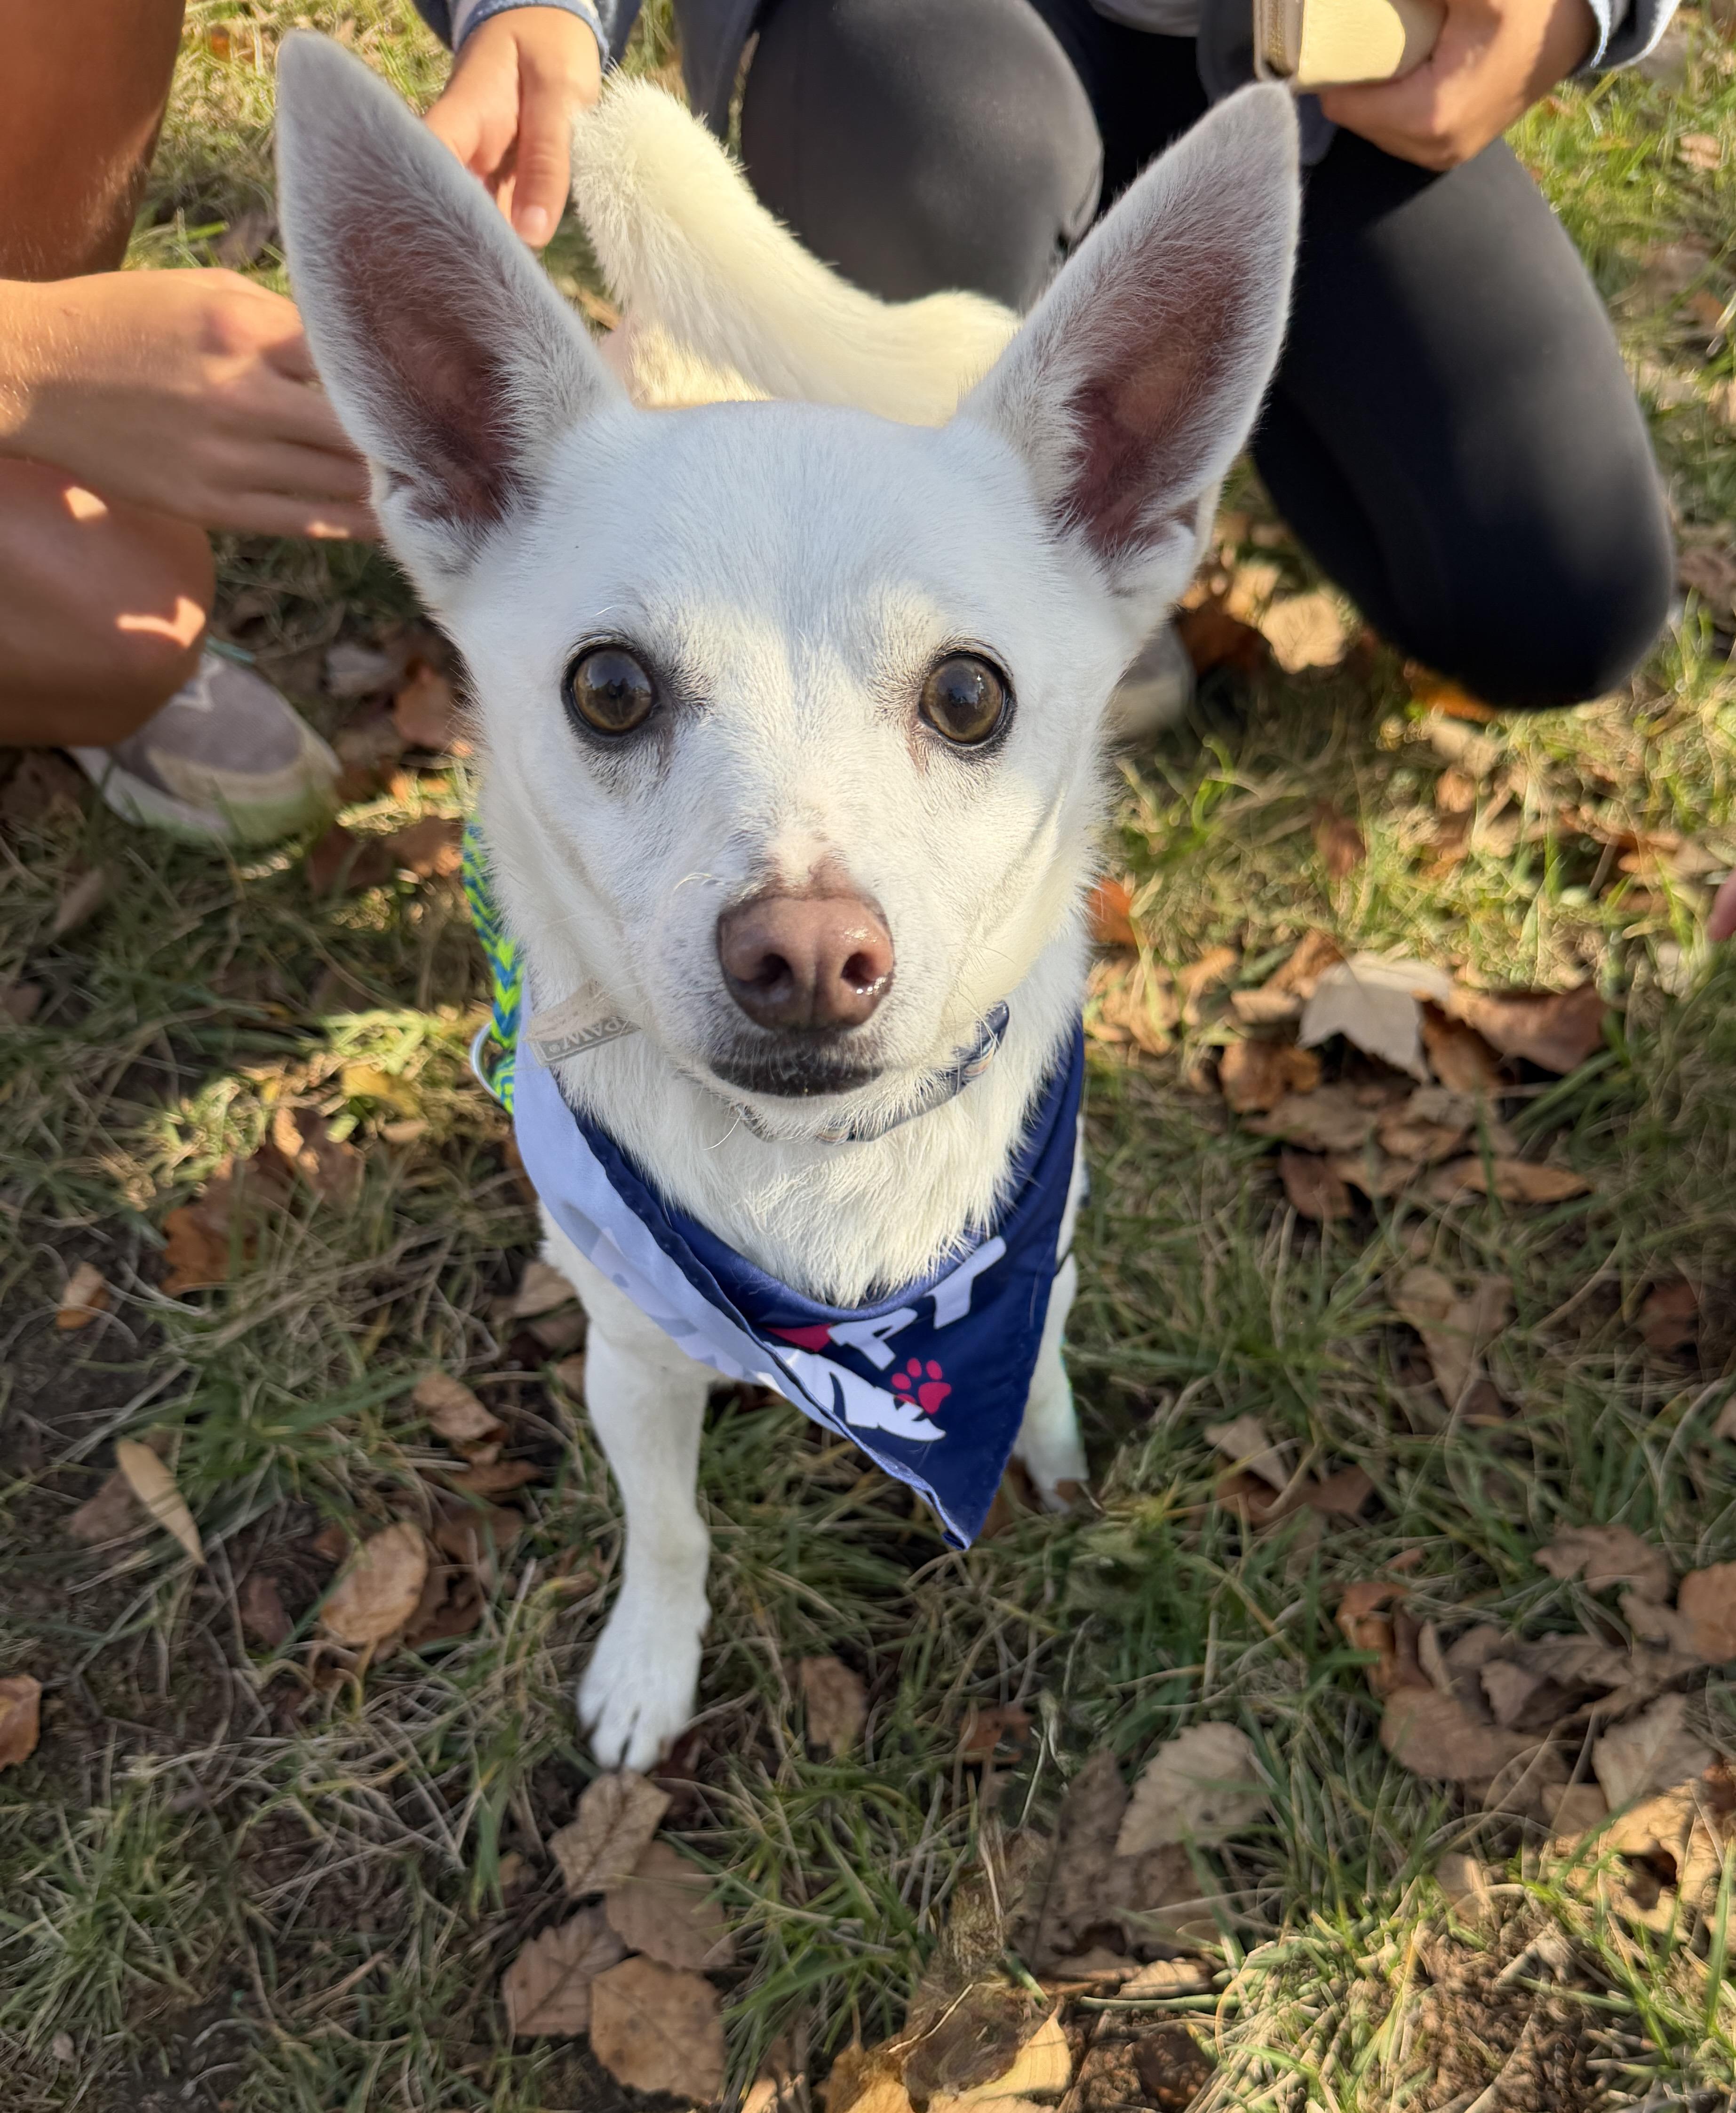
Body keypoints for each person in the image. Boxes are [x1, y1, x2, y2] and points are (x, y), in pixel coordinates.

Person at [418, 0, 1680, 718]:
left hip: (1311, 56)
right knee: (940, 137)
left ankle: (1122, 437)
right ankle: (943, 574)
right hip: (915, 43)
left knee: (1562, 605)